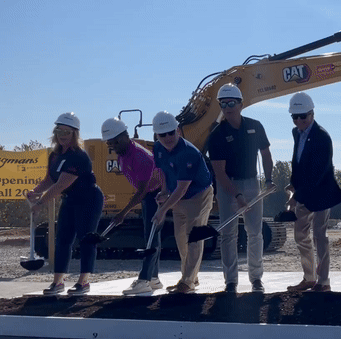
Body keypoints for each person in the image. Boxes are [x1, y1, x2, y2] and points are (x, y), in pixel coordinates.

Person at [208, 83, 276, 294]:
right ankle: (231, 281)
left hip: (252, 182)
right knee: (228, 233)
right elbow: (219, 172)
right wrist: (236, 194)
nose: (228, 107)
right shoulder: (217, 135)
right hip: (227, 184)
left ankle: (256, 279)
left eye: (232, 103)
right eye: (223, 103)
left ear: (240, 104)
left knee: (255, 232)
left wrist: (269, 179)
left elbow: (265, 155)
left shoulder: (255, 126)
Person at [28, 113, 104, 295]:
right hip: (70, 199)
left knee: (86, 239)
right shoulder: (54, 155)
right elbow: (49, 179)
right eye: (59, 130)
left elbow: (61, 184)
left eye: (67, 132)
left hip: (89, 199)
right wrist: (35, 191)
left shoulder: (78, 156)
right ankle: (58, 282)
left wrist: (40, 203)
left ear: (75, 133)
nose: (62, 135)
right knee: (62, 239)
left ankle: (83, 282)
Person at [285, 92, 341, 292]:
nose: (299, 121)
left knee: (320, 236)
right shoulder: (297, 133)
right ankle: (309, 277)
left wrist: (296, 197)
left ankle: (323, 281)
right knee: (300, 234)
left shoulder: (322, 137)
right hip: (303, 191)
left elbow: (317, 174)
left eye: (303, 116)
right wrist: (293, 184)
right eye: (295, 117)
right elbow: (298, 163)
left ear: (312, 113)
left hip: (321, 193)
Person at [101, 117, 166, 295]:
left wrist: (123, 212)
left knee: (152, 237)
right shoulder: (123, 154)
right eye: (108, 142)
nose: (111, 145)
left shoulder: (139, 156)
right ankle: (153, 278)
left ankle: (144, 280)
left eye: (113, 142)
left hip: (157, 195)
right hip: (149, 196)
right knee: (151, 236)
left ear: (123, 137)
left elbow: (143, 191)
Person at [151, 111, 214, 294]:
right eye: (163, 134)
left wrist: (162, 209)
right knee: (181, 239)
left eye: (171, 132)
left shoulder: (189, 153)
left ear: (178, 130)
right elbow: (163, 171)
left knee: (194, 236)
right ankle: (190, 277)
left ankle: (187, 282)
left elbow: (182, 188)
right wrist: (163, 191)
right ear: (157, 135)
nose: (168, 137)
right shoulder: (158, 149)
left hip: (198, 196)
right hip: (177, 199)